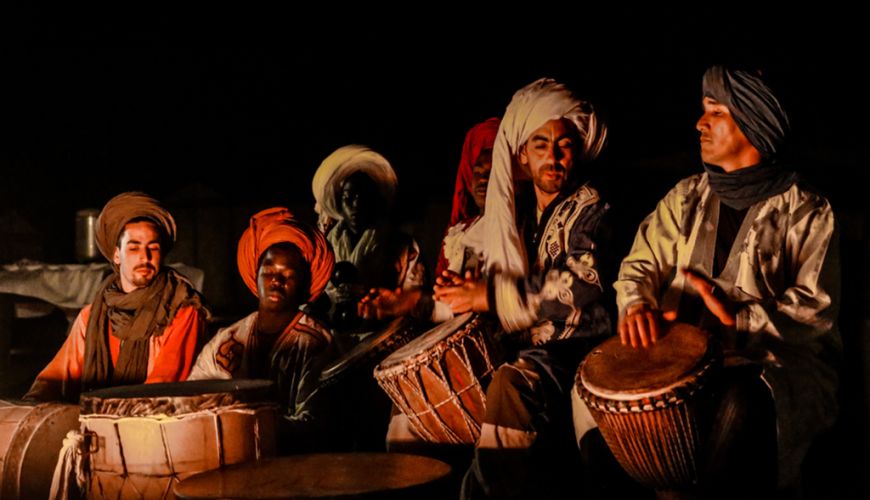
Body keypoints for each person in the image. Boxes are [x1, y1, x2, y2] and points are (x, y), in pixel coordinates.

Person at [613, 66, 840, 496]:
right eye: (704, 110)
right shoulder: (686, 197)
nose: (700, 123)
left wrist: (740, 318)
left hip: (776, 365)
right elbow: (639, 265)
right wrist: (637, 303)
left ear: (753, 125)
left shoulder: (807, 210)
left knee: (738, 401)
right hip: (685, 359)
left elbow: (816, 307)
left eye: (715, 112)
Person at [434, 79, 611, 499]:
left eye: (564, 145)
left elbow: (581, 285)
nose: (553, 157)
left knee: (509, 384)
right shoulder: (520, 220)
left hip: (575, 354)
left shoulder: (593, 210)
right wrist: (449, 295)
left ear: (577, 151)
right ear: (523, 156)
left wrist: (489, 295)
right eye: (541, 145)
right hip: (522, 352)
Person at [24, 192, 209, 402]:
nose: (145, 257)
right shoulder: (92, 317)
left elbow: (164, 382)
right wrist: (29, 406)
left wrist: (119, 414)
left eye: (153, 248)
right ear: (116, 255)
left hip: (157, 417)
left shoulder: (182, 312)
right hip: (100, 416)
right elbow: (55, 377)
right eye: (134, 248)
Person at [188, 207, 336, 454]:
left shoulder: (315, 344)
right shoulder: (228, 338)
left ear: (303, 284)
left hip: (293, 464)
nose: (276, 281)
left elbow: (314, 423)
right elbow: (192, 398)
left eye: (289, 274)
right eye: (268, 272)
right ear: (255, 276)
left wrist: (242, 426)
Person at [359, 118, 500, 324]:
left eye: (493, 171)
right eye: (477, 171)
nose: (483, 179)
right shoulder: (459, 233)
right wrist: (403, 302)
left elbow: (514, 301)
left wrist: (411, 302)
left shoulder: (524, 228)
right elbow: (443, 304)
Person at [311, 145, 426, 340]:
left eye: (364, 197)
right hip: (329, 342)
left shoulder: (404, 247)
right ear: (339, 202)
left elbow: (417, 303)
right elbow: (306, 302)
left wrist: (372, 298)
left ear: (377, 201)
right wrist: (332, 297)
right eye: (349, 197)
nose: (356, 204)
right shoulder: (322, 248)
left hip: (386, 341)